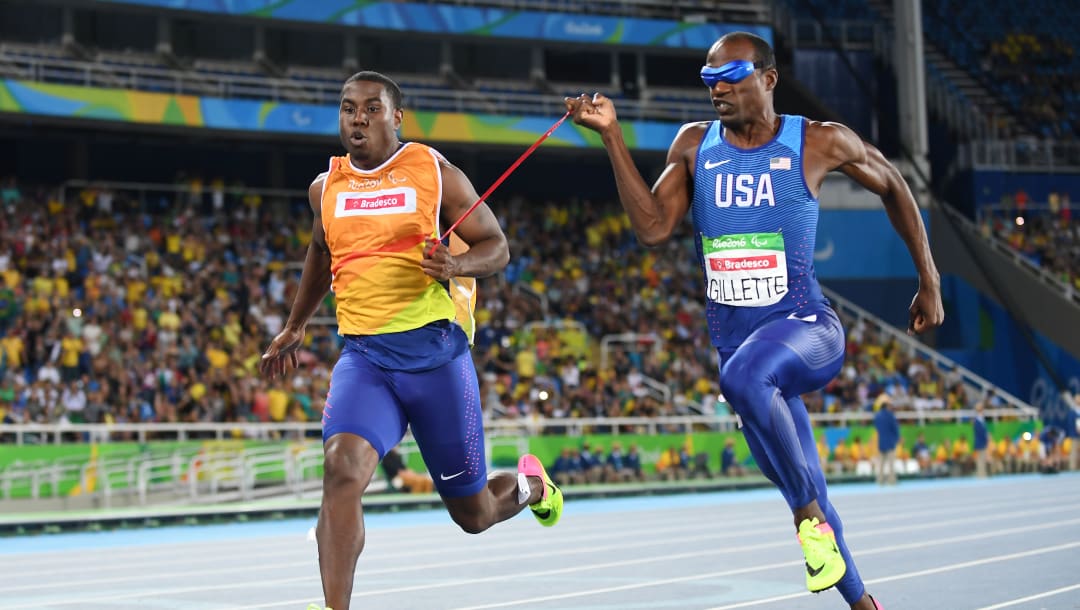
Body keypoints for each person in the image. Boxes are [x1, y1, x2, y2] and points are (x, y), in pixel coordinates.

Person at [566, 31, 943, 610]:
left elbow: (894, 183)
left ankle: (808, 521)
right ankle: (862, 600)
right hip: (740, 356)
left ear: (769, 78)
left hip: (807, 330)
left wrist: (929, 279)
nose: (718, 88)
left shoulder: (817, 141)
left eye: (732, 75)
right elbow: (651, 230)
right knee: (805, 484)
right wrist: (613, 137)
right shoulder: (694, 146)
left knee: (751, 395)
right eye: (709, 78)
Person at [260, 71, 563, 610]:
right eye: (348, 108)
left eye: (371, 109)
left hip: (435, 360)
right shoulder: (325, 188)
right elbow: (319, 253)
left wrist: (458, 262)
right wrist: (296, 324)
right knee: (341, 468)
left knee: (473, 516)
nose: (357, 119)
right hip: (365, 359)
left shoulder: (434, 172)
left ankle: (533, 486)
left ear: (396, 117)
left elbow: (497, 246)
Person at [873, 395, 900, 485]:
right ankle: (891, 480)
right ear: (886, 406)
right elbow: (895, 428)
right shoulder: (890, 415)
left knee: (881, 463)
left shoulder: (877, 416)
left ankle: (880, 480)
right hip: (890, 442)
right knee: (891, 464)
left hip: (881, 442)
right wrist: (896, 438)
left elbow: (877, 427)